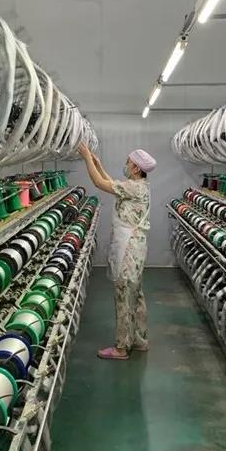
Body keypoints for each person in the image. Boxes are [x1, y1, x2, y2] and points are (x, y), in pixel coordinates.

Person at [78, 143, 156, 360]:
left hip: (128, 249)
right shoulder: (139, 185)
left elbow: (99, 183)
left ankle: (121, 348)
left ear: (136, 168)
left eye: (128, 162)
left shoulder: (134, 188)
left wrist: (86, 158)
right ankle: (140, 340)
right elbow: (112, 184)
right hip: (136, 247)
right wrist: (98, 164)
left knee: (123, 295)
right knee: (136, 294)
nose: (126, 165)